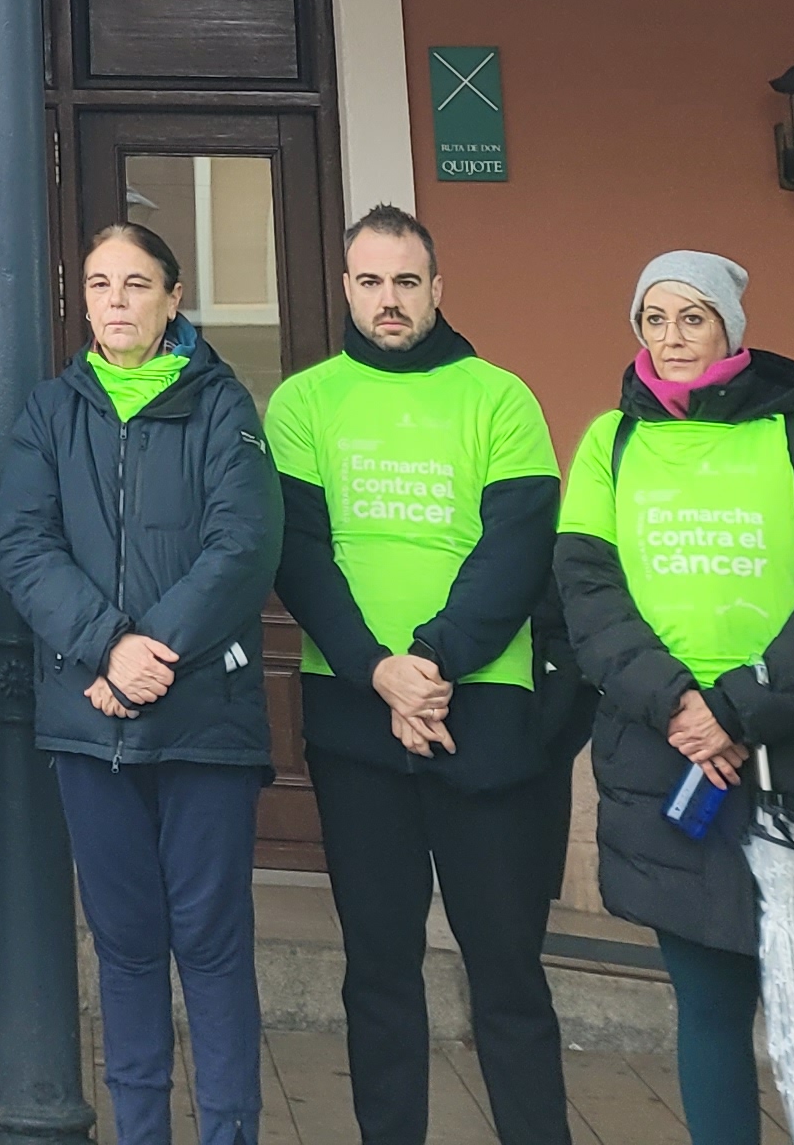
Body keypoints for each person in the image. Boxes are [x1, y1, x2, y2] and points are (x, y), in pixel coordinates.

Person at [266, 205, 578, 1145]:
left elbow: (517, 550)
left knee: (509, 969)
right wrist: (378, 674)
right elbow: (301, 558)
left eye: (407, 282)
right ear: (347, 288)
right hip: (355, 718)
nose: (389, 300)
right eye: (370, 281)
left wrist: (430, 663)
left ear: (438, 289)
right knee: (379, 969)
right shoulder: (301, 404)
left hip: (485, 714)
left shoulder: (500, 398)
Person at [555, 253, 794, 1145]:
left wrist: (738, 708)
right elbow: (588, 594)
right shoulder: (606, 443)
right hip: (665, 753)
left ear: (731, 328)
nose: (672, 339)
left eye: (693, 318)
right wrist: (680, 707)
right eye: (654, 320)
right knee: (706, 1008)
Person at [0, 219, 283, 1145]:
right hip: (90, 719)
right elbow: (23, 544)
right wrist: (107, 648)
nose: (115, 302)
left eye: (135, 284)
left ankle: (229, 1130)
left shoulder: (224, 405)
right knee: (123, 949)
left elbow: (243, 548)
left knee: (209, 945)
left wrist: (150, 652)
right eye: (99, 283)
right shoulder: (52, 409)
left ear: (173, 297)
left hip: (203, 717)